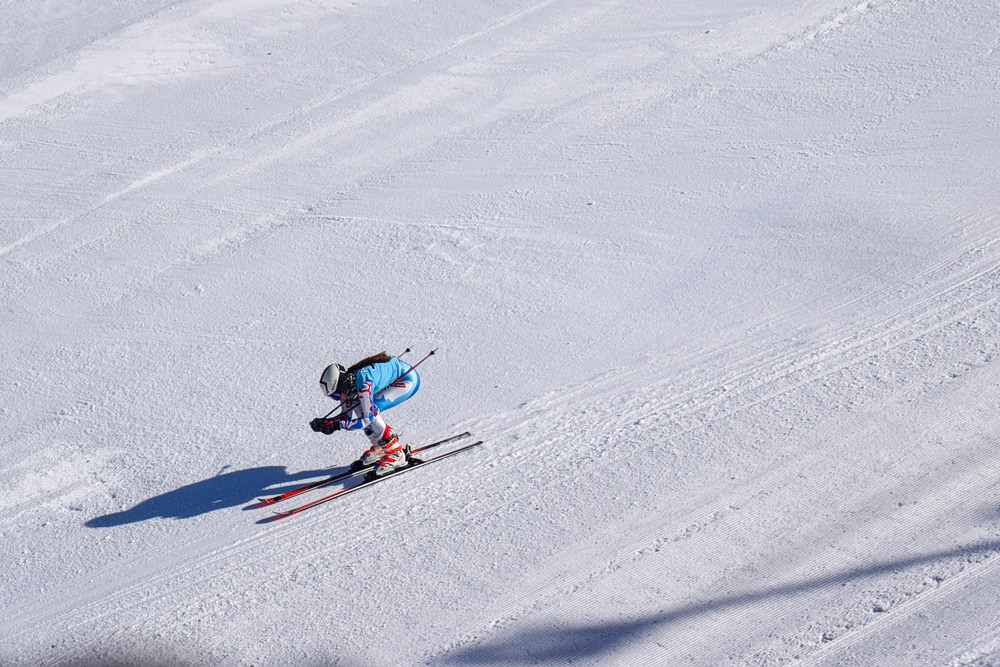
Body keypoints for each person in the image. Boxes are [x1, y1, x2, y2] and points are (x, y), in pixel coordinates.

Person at [309, 351, 420, 476]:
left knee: (371, 410)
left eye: (336, 395)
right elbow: (346, 416)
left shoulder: (363, 386)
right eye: (333, 398)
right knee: (359, 405)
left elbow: (367, 420)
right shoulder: (349, 385)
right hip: (395, 376)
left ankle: (396, 453)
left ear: (342, 385)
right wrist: (329, 422)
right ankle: (381, 447)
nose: (337, 399)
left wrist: (337, 425)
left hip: (408, 380)